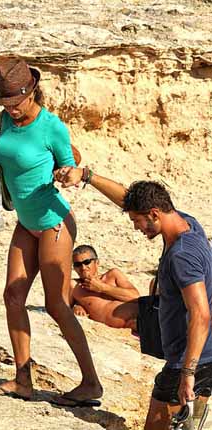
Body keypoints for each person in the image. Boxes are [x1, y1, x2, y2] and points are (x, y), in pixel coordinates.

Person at [0, 58, 102, 407]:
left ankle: (91, 383)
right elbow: (9, 154)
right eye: (5, 105)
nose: (11, 111)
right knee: (12, 297)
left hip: (53, 223)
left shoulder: (52, 127)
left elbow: (71, 165)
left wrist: (66, 173)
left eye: (16, 104)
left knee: (57, 305)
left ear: (31, 93)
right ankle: (23, 380)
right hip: (25, 222)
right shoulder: (6, 119)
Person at [56, 167, 212, 429]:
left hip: (190, 359)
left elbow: (201, 314)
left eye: (136, 222)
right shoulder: (186, 224)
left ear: (153, 215)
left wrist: (187, 372)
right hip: (205, 354)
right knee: (189, 425)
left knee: (157, 424)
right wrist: (87, 176)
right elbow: (129, 199)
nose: (136, 228)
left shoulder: (182, 255)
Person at [71, 244, 140, 330]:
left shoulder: (113, 275)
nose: (83, 267)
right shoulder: (74, 286)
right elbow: (63, 306)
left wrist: (102, 288)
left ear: (97, 263)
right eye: (78, 264)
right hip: (128, 327)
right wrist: (77, 306)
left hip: (141, 317)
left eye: (87, 262)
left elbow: (135, 297)